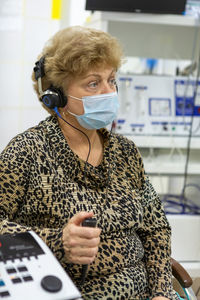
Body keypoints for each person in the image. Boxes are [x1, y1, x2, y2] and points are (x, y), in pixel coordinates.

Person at [0, 26, 181, 300]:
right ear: (56, 96)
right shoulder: (26, 152)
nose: (109, 92)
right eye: (93, 84)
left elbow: (156, 228)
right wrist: (58, 241)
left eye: (111, 80)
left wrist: (161, 292)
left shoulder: (125, 152)